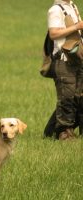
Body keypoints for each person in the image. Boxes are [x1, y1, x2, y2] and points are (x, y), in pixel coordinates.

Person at [44, 0, 83, 140]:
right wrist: (77, 26)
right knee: (66, 98)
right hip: (63, 60)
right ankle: (63, 134)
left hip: (77, 59)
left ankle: (50, 132)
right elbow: (53, 34)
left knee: (77, 97)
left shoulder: (72, 5)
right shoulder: (55, 10)